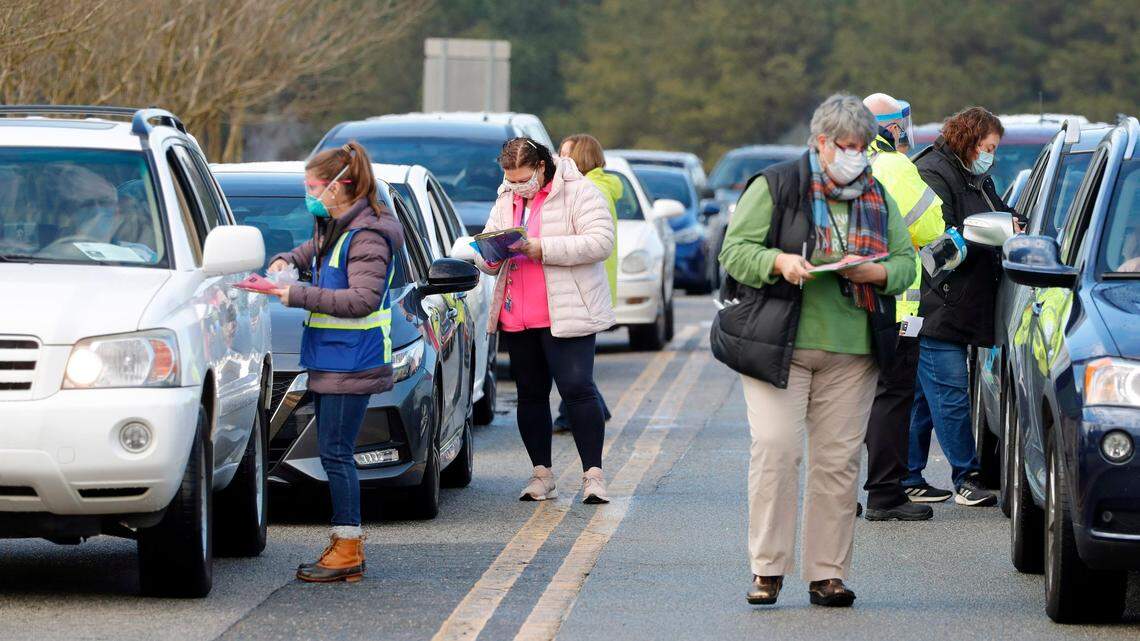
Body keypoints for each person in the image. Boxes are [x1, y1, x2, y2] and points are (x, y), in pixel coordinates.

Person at [719, 94, 916, 607]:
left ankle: (828, 574)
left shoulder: (876, 193)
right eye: (846, 146)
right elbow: (735, 252)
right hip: (777, 344)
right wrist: (780, 262)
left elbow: (905, 263)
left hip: (853, 349)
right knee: (777, 450)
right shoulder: (777, 184)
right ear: (821, 142)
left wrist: (872, 271)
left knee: (837, 463)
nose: (855, 156)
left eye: (862, 147)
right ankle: (767, 568)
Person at [263, 141, 405, 583]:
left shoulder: (367, 236)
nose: (308, 195)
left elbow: (362, 300)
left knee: (337, 455)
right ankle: (345, 544)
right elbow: (313, 250)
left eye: (313, 187)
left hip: (351, 362)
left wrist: (296, 294)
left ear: (339, 186)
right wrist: (288, 260)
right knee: (334, 454)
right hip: (334, 358)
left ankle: (347, 548)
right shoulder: (338, 226)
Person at [474, 137, 616, 504]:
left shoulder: (578, 191)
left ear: (541, 166)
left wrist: (543, 248)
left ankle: (593, 475)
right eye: (510, 180)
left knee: (577, 389)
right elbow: (488, 253)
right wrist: (488, 256)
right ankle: (541, 474)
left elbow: (601, 242)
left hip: (566, 311)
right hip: (518, 315)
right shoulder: (506, 197)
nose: (517, 186)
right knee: (530, 394)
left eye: (523, 179)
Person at [905, 107, 1015, 507]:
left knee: (924, 398)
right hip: (939, 304)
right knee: (950, 394)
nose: (991, 157)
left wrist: (1017, 225)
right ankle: (966, 477)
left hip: (958, 304)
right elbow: (942, 241)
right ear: (970, 141)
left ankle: (907, 475)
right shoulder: (934, 173)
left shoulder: (974, 176)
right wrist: (992, 233)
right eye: (988, 148)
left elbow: (999, 213)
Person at [859, 93, 946, 522]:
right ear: (893, 128)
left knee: (846, 400)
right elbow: (931, 227)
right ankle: (886, 492)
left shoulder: (846, 162)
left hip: (849, 303)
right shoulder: (894, 165)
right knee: (893, 396)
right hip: (899, 305)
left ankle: (839, 495)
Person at [552, 133, 619, 431]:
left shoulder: (589, 190)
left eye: (566, 154)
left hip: (586, 283)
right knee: (576, 363)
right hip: (594, 280)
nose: (560, 159)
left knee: (574, 364)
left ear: (581, 157)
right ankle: (590, 408)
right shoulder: (600, 186)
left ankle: (575, 413)